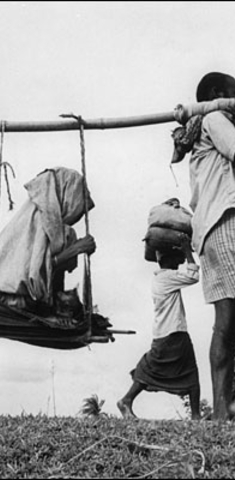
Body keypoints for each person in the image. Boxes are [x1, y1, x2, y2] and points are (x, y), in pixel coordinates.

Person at [172, 71, 235, 420]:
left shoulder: (205, 128)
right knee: (228, 319)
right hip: (225, 222)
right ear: (216, 94)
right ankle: (224, 411)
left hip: (213, 226)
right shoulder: (214, 118)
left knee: (227, 319)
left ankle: (226, 408)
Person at [0, 166, 96, 319]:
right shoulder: (39, 220)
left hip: (27, 299)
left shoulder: (59, 230)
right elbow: (34, 272)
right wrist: (76, 249)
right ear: (66, 196)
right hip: (6, 297)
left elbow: (52, 275)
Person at [117, 235, 201, 420]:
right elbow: (194, 276)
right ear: (167, 260)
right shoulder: (166, 278)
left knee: (175, 370)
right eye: (175, 259)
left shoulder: (162, 278)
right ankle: (126, 400)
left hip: (169, 333)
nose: (179, 262)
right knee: (178, 372)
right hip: (172, 333)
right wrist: (187, 250)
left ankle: (196, 416)